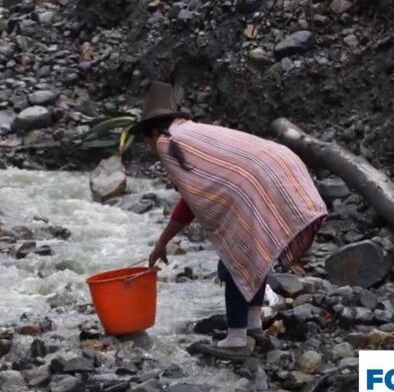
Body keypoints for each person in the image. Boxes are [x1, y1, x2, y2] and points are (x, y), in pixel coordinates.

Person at [133, 81, 328, 354]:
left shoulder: (168, 143)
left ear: (153, 132)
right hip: (280, 165)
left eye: (145, 141)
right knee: (253, 248)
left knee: (234, 257)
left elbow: (190, 202)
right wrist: (162, 242)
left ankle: (236, 339)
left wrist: (162, 242)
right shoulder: (188, 133)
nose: (148, 147)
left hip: (254, 182)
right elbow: (192, 199)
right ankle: (251, 326)